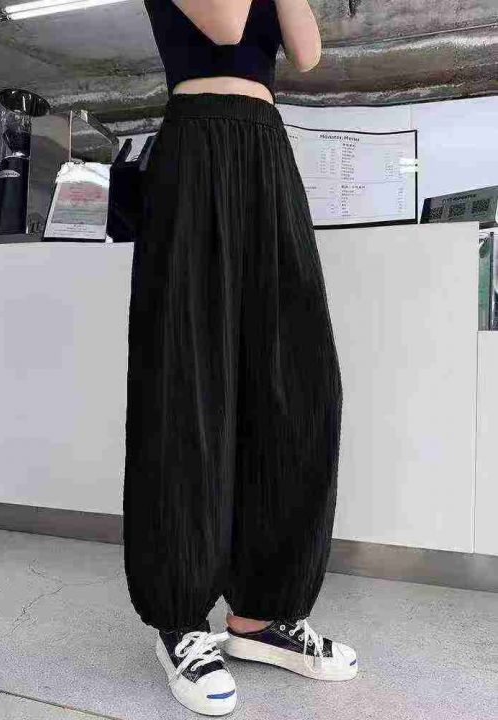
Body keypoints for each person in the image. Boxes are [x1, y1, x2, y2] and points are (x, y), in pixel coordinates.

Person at [123, 0, 356, 715]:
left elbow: (306, 52)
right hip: (197, 144)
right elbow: (226, 24)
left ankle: (262, 615)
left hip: (265, 144)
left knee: (297, 380)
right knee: (190, 379)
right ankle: (179, 618)